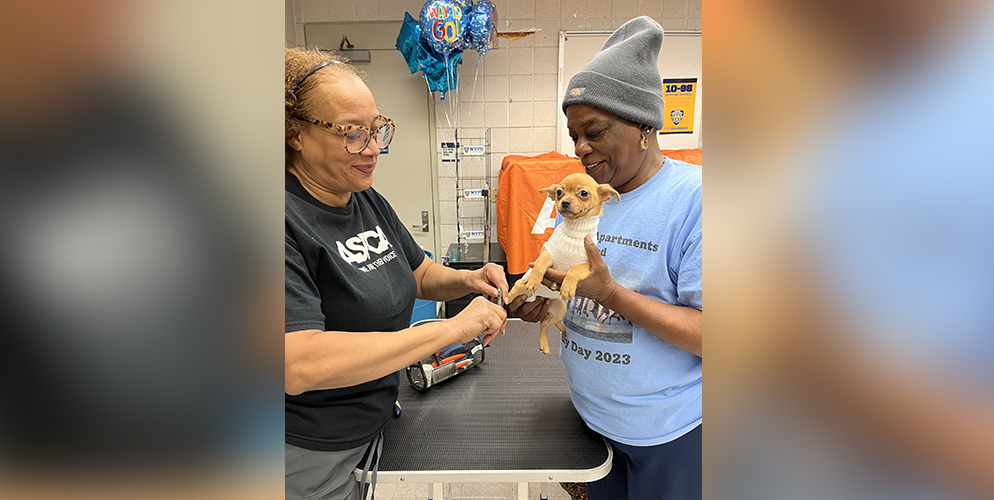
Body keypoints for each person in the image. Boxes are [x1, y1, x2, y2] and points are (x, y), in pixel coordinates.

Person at [283, 48, 508, 500]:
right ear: (295, 134)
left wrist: (468, 280)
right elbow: (297, 363)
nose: (372, 149)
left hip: (373, 417)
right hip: (308, 446)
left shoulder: (364, 199)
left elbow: (418, 272)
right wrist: (453, 328)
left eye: (376, 129)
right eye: (351, 134)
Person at [508, 17, 702, 500]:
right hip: (592, 423)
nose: (580, 149)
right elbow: (576, 286)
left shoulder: (695, 202)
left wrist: (614, 296)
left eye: (594, 131)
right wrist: (547, 301)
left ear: (644, 124)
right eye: (574, 135)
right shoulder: (583, 199)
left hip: (669, 433)